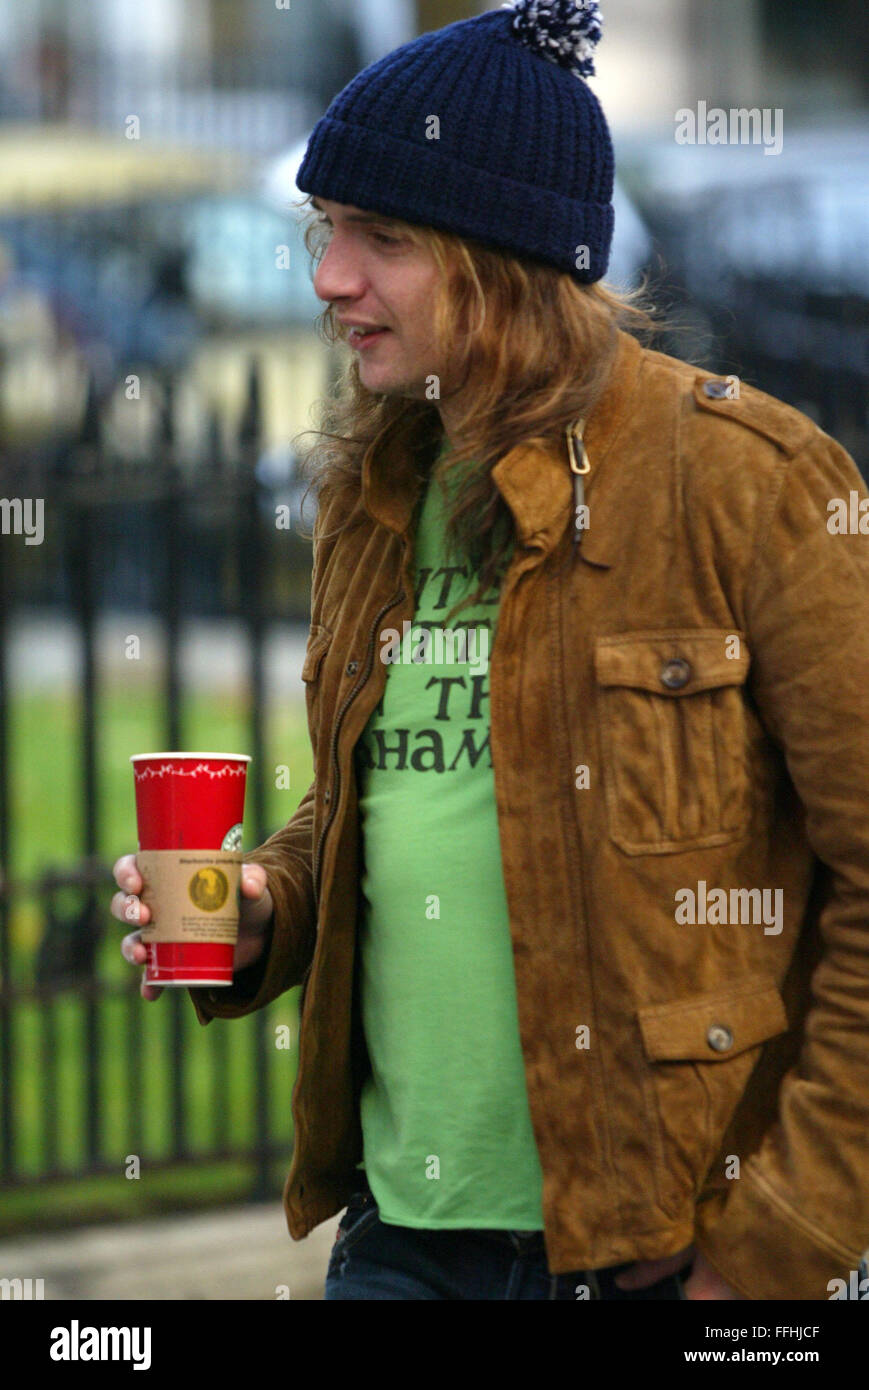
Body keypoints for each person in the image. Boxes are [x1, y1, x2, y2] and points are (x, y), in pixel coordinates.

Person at [111, 0, 869, 1300]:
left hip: (659, 1251)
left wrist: (774, 1250)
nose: (326, 276)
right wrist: (261, 907)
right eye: (323, 228)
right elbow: (392, 799)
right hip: (395, 1239)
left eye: (380, 238)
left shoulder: (749, 483)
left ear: (506, 260)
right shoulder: (374, 490)